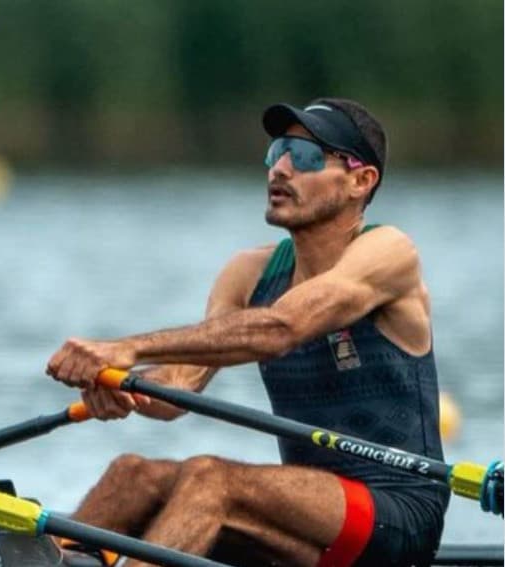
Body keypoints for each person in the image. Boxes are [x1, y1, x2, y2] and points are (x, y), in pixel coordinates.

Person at [47, 98, 449, 566]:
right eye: (277, 152)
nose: (280, 169)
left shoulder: (390, 253)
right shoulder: (247, 273)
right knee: (131, 474)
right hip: (306, 518)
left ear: (361, 181)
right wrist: (124, 387)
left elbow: (280, 328)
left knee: (211, 480)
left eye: (305, 157)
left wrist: (127, 348)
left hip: (398, 514)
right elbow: (177, 387)